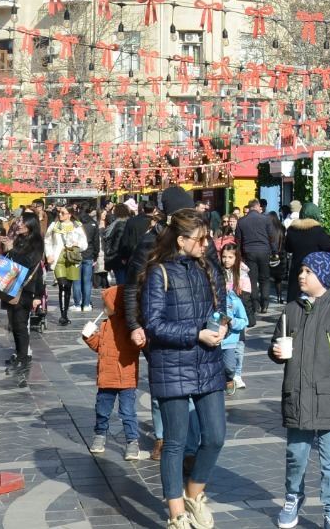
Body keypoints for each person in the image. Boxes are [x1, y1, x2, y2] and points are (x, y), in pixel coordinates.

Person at [141, 208, 228, 529]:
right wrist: (195, 333)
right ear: (180, 240)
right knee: (175, 441)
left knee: (216, 436)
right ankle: (176, 514)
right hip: (172, 365)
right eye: (200, 238)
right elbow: (153, 324)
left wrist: (222, 328)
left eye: (209, 237)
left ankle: (194, 494)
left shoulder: (209, 268)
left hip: (207, 362)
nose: (207, 243)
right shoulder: (159, 273)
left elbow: (221, 309)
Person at [271, 252, 330, 529]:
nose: (302, 275)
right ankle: (292, 497)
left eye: (308, 271)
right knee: (296, 455)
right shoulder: (291, 310)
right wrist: (276, 351)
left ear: (322, 276)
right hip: (297, 396)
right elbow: (277, 343)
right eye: (301, 270)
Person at [126, 186, 193, 349]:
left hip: (194, 323)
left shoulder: (200, 241)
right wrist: (134, 325)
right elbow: (132, 286)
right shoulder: (150, 243)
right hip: (160, 324)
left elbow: (215, 279)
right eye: (187, 215)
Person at [82, 284, 142, 460]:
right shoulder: (105, 324)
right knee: (102, 409)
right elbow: (100, 347)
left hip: (126, 378)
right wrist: (89, 337)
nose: (103, 308)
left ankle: (132, 441)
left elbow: (138, 344)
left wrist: (139, 339)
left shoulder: (130, 327)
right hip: (106, 377)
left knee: (128, 412)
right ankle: (100, 435)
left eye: (105, 304)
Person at [4, 213, 47, 383]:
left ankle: (24, 356)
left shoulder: (36, 241)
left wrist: (38, 295)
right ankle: (19, 352)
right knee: (13, 323)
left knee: (21, 324)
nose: (19, 224)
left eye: (22, 221)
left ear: (30, 224)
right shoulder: (19, 239)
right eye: (19, 221)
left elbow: (29, 262)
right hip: (12, 286)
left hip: (26, 289)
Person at [236, 198, 281, 314]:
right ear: (257, 207)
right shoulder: (265, 219)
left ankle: (255, 305)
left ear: (250, 208)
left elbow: (238, 241)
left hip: (249, 252)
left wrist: (240, 255)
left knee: (252, 279)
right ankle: (265, 304)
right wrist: (275, 251)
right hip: (264, 251)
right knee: (265, 278)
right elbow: (272, 237)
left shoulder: (241, 221)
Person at [284, 202, 330, 300]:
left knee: (294, 300)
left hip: (297, 269)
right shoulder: (318, 231)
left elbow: (287, 248)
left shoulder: (292, 230)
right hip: (314, 271)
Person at [47, 204, 88, 326]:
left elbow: (84, 243)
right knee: (62, 284)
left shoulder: (77, 226)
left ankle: (64, 315)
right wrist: (49, 254)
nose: (60, 215)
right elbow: (47, 240)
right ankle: (62, 314)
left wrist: (77, 245)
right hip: (58, 258)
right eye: (59, 212)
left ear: (70, 214)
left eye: (63, 213)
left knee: (68, 286)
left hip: (72, 258)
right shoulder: (54, 226)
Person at [220, 242, 252, 389]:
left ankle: (237, 374)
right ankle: (225, 374)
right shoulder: (218, 272)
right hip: (222, 316)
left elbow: (245, 297)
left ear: (236, 258)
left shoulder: (242, 274)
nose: (226, 260)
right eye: (224, 257)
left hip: (237, 316)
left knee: (239, 347)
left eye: (230, 257)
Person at [221, 274, 250, 396]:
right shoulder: (208, 299)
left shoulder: (235, 301)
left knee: (229, 367)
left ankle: (229, 378)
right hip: (211, 340)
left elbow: (244, 321)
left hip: (229, 341)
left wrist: (232, 321)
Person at [75, 202, 99, 312]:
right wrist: (96, 255)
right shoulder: (93, 223)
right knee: (87, 281)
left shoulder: (75, 222)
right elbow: (96, 241)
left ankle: (77, 303)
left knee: (76, 280)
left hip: (76, 253)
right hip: (89, 254)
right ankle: (86, 304)